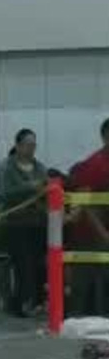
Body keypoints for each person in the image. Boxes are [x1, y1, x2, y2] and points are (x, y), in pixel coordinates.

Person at [0, 129, 48, 317]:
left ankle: (37, 301)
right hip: (16, 224)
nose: (31, 148)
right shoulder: (7, 167)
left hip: (37, 222)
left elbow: (44, 190)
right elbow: (6, 194)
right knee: (23, 265)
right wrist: (31, 187)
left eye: (34, 145)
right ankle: (18, 302)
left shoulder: (40, 167)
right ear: (18, 145)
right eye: (28, 144)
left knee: (39, 264)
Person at [67, 119, 109, 316]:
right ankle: (77, 318)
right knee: (86, 282)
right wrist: (103, 235)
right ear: (104, 137)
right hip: (90, 233)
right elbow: (86, 204)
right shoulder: (93, 164)